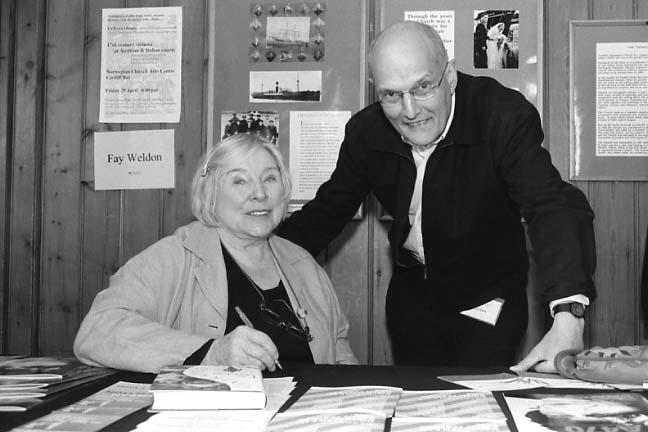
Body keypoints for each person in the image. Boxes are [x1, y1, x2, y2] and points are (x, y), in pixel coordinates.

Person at [278, 21, 596, 373]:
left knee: (478, 409)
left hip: (488, 296)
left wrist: (569, 314)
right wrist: (249, 251)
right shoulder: (366, 133)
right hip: (414, 299)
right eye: (391, 95)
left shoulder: (501, 116)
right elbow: (326, 213)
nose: (410, 111)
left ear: (451, 77)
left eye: (423, 87)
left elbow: (551, 204)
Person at [74, 134, 358, 374]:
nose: (259, 193)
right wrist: (211, 352)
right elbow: (98, 331)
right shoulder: (176, 256)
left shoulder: (302, 262)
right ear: (210, 193)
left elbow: (338, 343)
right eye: (239, 181)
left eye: (269, 178)